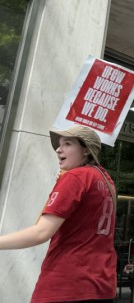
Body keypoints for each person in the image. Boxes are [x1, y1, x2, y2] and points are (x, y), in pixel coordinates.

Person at [0, 125, 117, 302]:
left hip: (66, 284)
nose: (58, 150)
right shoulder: (105, 179)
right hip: (101, 285)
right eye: (59, 145)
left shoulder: (76, 177)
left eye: (67, 144)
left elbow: (41, 232)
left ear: (85, 150)